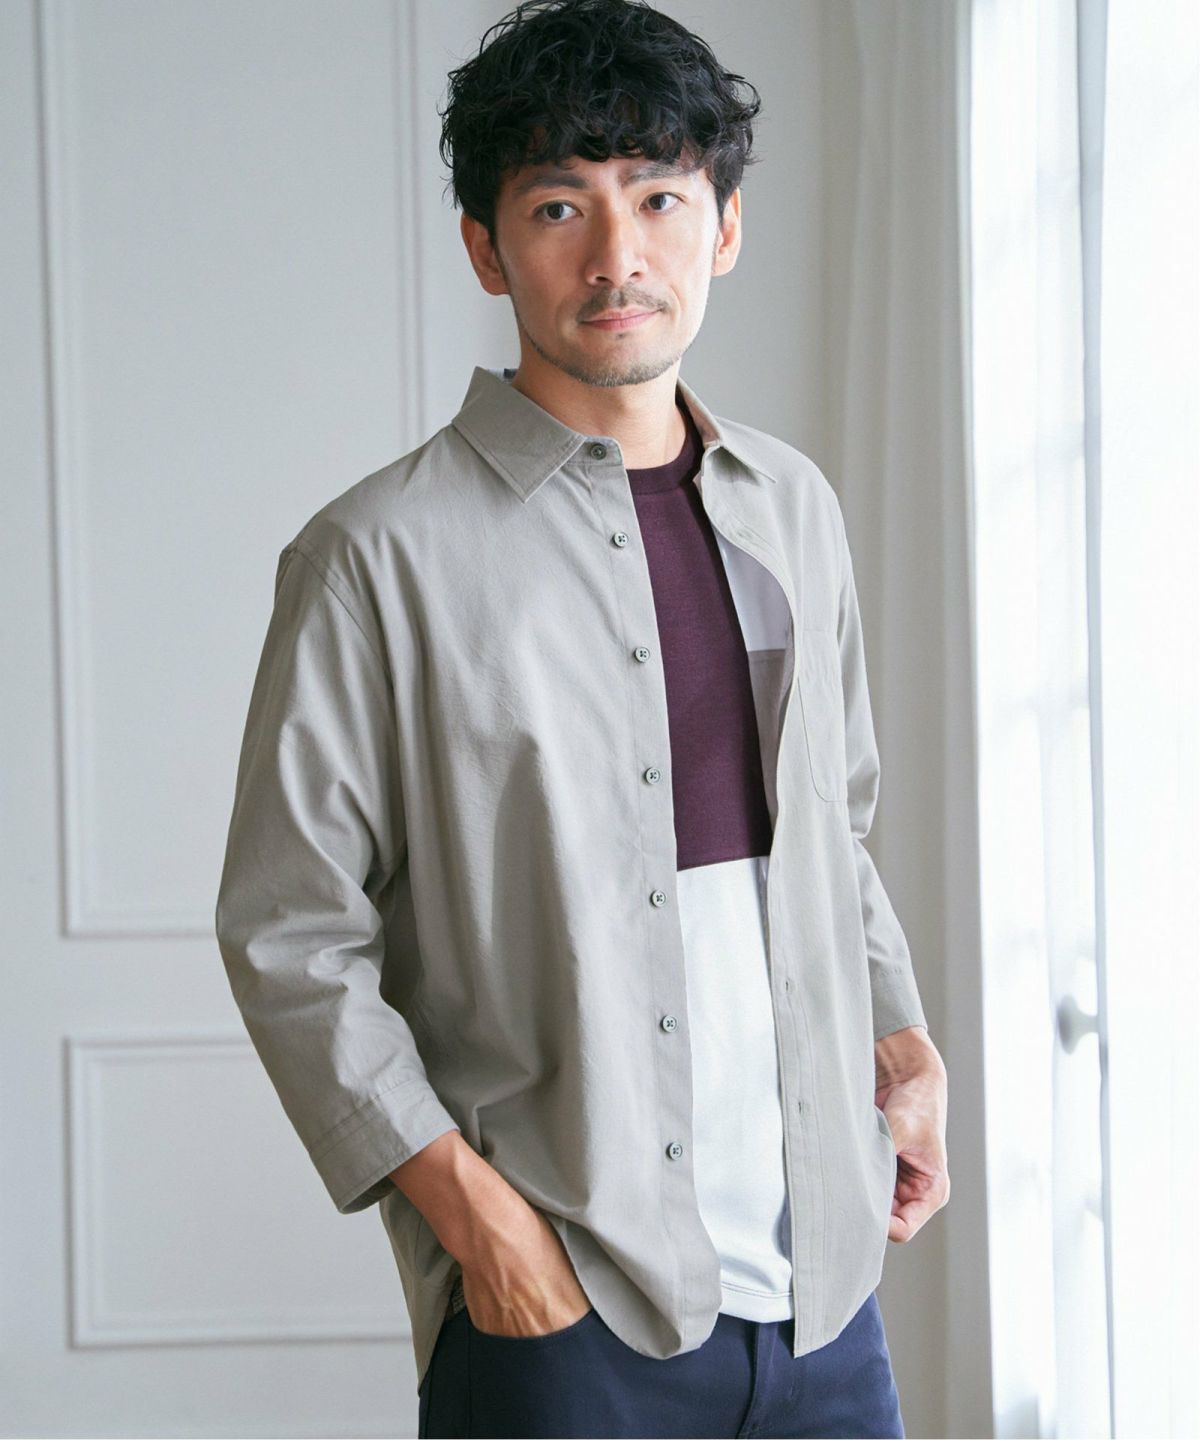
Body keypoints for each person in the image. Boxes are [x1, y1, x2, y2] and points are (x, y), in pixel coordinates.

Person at [214, 0, 951, 1434]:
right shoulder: (376, 557)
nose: (618, 256)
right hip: (565, 1320)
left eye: (659, 197)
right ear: (487, 248)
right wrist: (471, 1217)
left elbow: (833, 837)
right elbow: (289, 932)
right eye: (560, 206)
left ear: (723, 228)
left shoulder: (795, 510)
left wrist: (903, 1042)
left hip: (827, 1303)